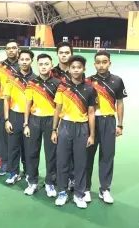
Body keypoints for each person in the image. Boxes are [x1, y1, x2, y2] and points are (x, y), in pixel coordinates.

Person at [51, 55, 97, 209]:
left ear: (84, 69)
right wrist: (54, 130)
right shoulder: (62, 87)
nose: (76, 70)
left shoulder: (90, 89)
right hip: (65, 126)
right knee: (62, 161)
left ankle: (79, 194)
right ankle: (62, 192)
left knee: (81, 162)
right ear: (69, 69)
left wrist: (91, 135)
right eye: (73, 67)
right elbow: (57, 110)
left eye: (79, 67)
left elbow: (91, 113)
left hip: (82, 128)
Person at [85, 50, 127, 204]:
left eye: (104, 62)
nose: (101, 65)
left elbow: (120, 104)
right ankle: (86, 188)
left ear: (109, 63)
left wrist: (120, 124)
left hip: (109, 122)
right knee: (88, 156)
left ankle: (105, 189)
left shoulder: (117, 80)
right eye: (98, 62)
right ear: (94, 64)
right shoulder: (88, 81)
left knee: (107, 156)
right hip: (91, 122)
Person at [23, 54, 60, 197]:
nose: (43, 67)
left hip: (51, 121)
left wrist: (55, 128)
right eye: (41, 64)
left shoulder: (58, 84)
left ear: (51, 66)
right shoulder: (31, 83)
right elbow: (28, 104)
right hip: (34, 121)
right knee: (32, 152)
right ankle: (32, 182)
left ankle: (50, 183)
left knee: (51, 154)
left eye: (46, 64)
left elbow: (59, 107)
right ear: (37, 66)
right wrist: (26, 124)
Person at [3, 49, 36, 184]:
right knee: (13, 147)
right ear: (18, 60)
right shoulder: (11, 78)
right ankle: (13, 173)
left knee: (28, 148)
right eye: (21, 59)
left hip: (31, 118)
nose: (24, 62)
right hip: (14, 116)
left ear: (31, 61)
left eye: (27, 59)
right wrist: (6, 119)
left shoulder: (35, 80)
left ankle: (28, 173)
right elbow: (6, 99)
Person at [0, 39, 20, 176]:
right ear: (5, 51)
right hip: (3, 104)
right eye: (8, 48)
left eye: (14, 48)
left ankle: (16, 164)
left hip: (19, 106)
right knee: (2, 135)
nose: (11, 50)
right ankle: (4, 162)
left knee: (17, 135)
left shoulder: (23, 64)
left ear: (18, 49)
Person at [51, 41, 76, 190]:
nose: (64, 55)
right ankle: (55, 178)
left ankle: (71, 178)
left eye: (67, 52)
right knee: (55, 149)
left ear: (71, 54)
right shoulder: (51, 72)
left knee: (71, 150)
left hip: (71, 116)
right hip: (54, 115)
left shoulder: (76, 71)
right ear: (57, 54)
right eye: (61, 52)